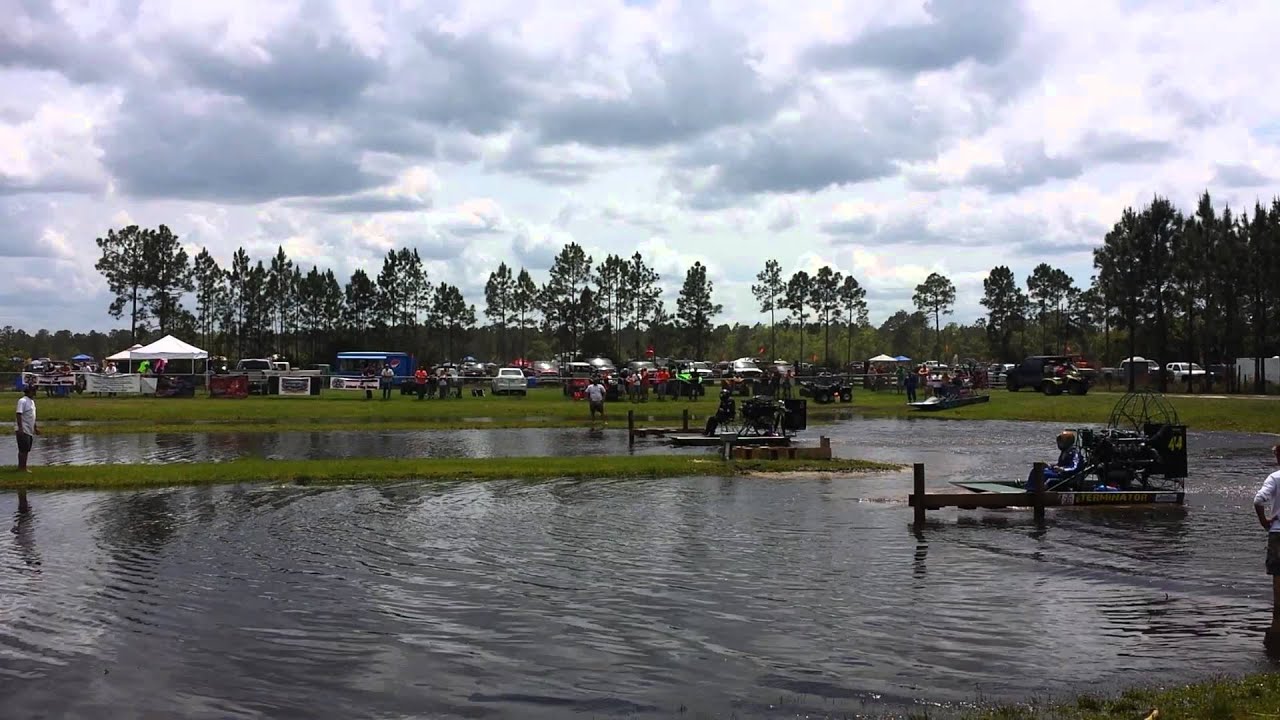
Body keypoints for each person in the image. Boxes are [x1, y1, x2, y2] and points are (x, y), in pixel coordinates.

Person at [1254, 444, 1280, 648]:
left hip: (1278, 533)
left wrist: (1264, 521)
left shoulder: (1275, 478)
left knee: (1278, 581)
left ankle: (1276, 629)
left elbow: (1259, 500)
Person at [15, 385, 39, 473]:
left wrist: (35, 428)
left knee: (26, 449)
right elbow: (18, 414)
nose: (35, 392)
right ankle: (22, 468)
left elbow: (32, 416)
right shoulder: (22, 401)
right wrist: (20, 428)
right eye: (33, 391)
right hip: (23, 429)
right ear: (28, 391)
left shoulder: (32, 402)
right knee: (23, 449)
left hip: (29, 430)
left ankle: (23, 467)